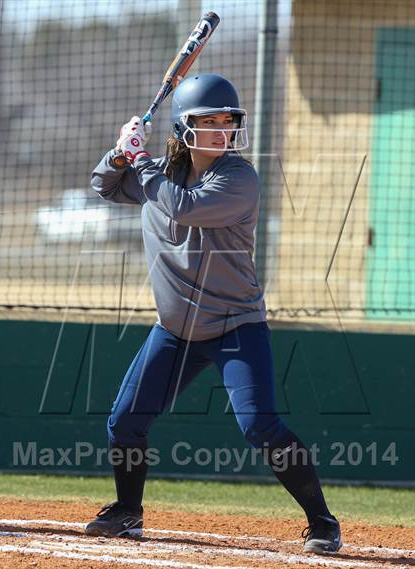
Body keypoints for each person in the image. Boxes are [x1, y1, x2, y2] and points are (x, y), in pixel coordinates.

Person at [85, 73, 342, 554]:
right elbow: (104, 185)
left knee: (260, 426)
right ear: (184, 127)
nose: (222, 129)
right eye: (209, 120)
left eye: (228, 120)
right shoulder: (159, 173)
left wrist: (139, 160)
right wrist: (121, 152)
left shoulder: (238, 179)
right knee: (125, 422)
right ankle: (127, 512)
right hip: (175, 329)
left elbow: (181, 207)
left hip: (234, 325)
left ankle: (323, 521)